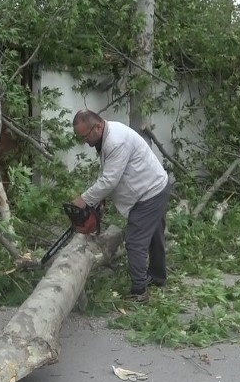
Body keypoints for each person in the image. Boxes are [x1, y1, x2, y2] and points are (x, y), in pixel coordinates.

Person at [71, 110, 172, 301]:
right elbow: (111, 174)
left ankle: (139, 291)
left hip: (149, 192)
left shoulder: (116, 141)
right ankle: (158, 277)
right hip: (154, 185)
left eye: (85, 136)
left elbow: (110, 181)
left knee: (135, 242)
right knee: (154, 232)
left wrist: (84, 199)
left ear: (98, 126)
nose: (84, 141)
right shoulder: (107, 136)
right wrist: (100, 197)